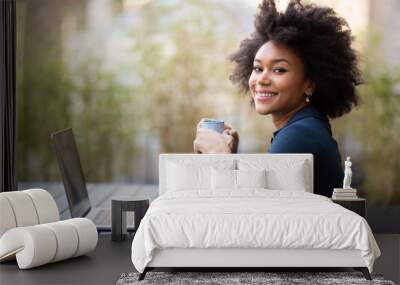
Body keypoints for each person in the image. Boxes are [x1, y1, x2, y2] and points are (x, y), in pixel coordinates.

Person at [193, 0, 362, 197]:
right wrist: (233, 158)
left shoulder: (299, 136)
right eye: (257, 68)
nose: (262, 79)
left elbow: (256, 214)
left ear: (309, 83)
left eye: (279, 70)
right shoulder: (305, 127)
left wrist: (219, 155)